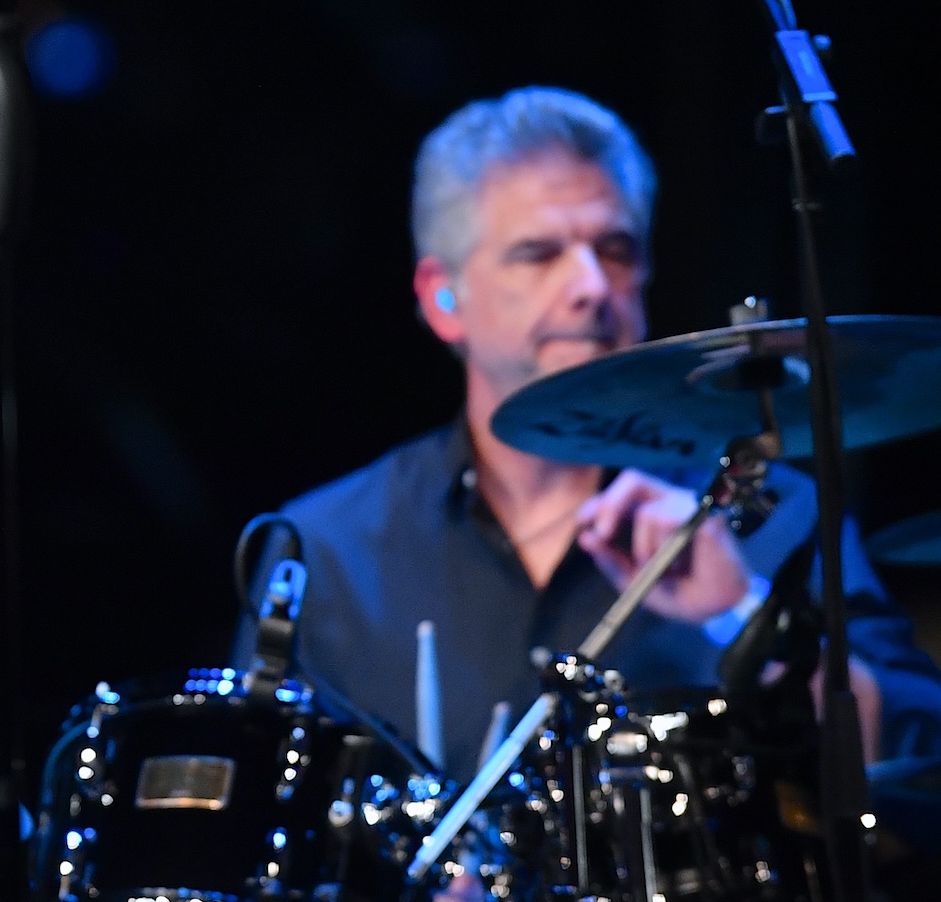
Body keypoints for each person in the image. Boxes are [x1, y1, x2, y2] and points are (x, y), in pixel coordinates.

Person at [234, 87, 941, 783]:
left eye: (615, 248)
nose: (592, 284)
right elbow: (257, 840)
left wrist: (740, 612)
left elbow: (913, 760)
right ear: (442, 298)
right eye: (539, 253)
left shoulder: (772, 518)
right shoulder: (324, 550)